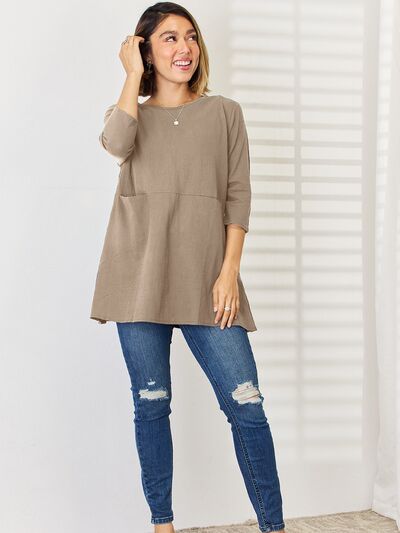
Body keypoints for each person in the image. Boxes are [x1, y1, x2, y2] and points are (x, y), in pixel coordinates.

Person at [90, 3, 286, 532]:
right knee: (152, 404)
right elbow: (116, 144)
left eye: (191, 37)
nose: (185, 48)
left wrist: (229, 272)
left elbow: (238, 195)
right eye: (170, 38)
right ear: (145, 49)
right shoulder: (127, 113)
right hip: (138, 281)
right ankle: (163, 525)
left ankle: (273, 526)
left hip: (208, 280)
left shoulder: (224, 112)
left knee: (247, 405)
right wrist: (131, 76)